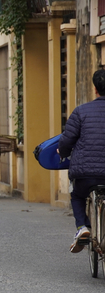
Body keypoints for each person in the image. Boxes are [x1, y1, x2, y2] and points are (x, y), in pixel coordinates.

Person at [58, 69, 105, 253]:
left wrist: (62, 152)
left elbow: (67, 140)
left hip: (86, 174)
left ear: (95, 89)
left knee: (77, 196)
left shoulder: (80, 112)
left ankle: (82, 228)